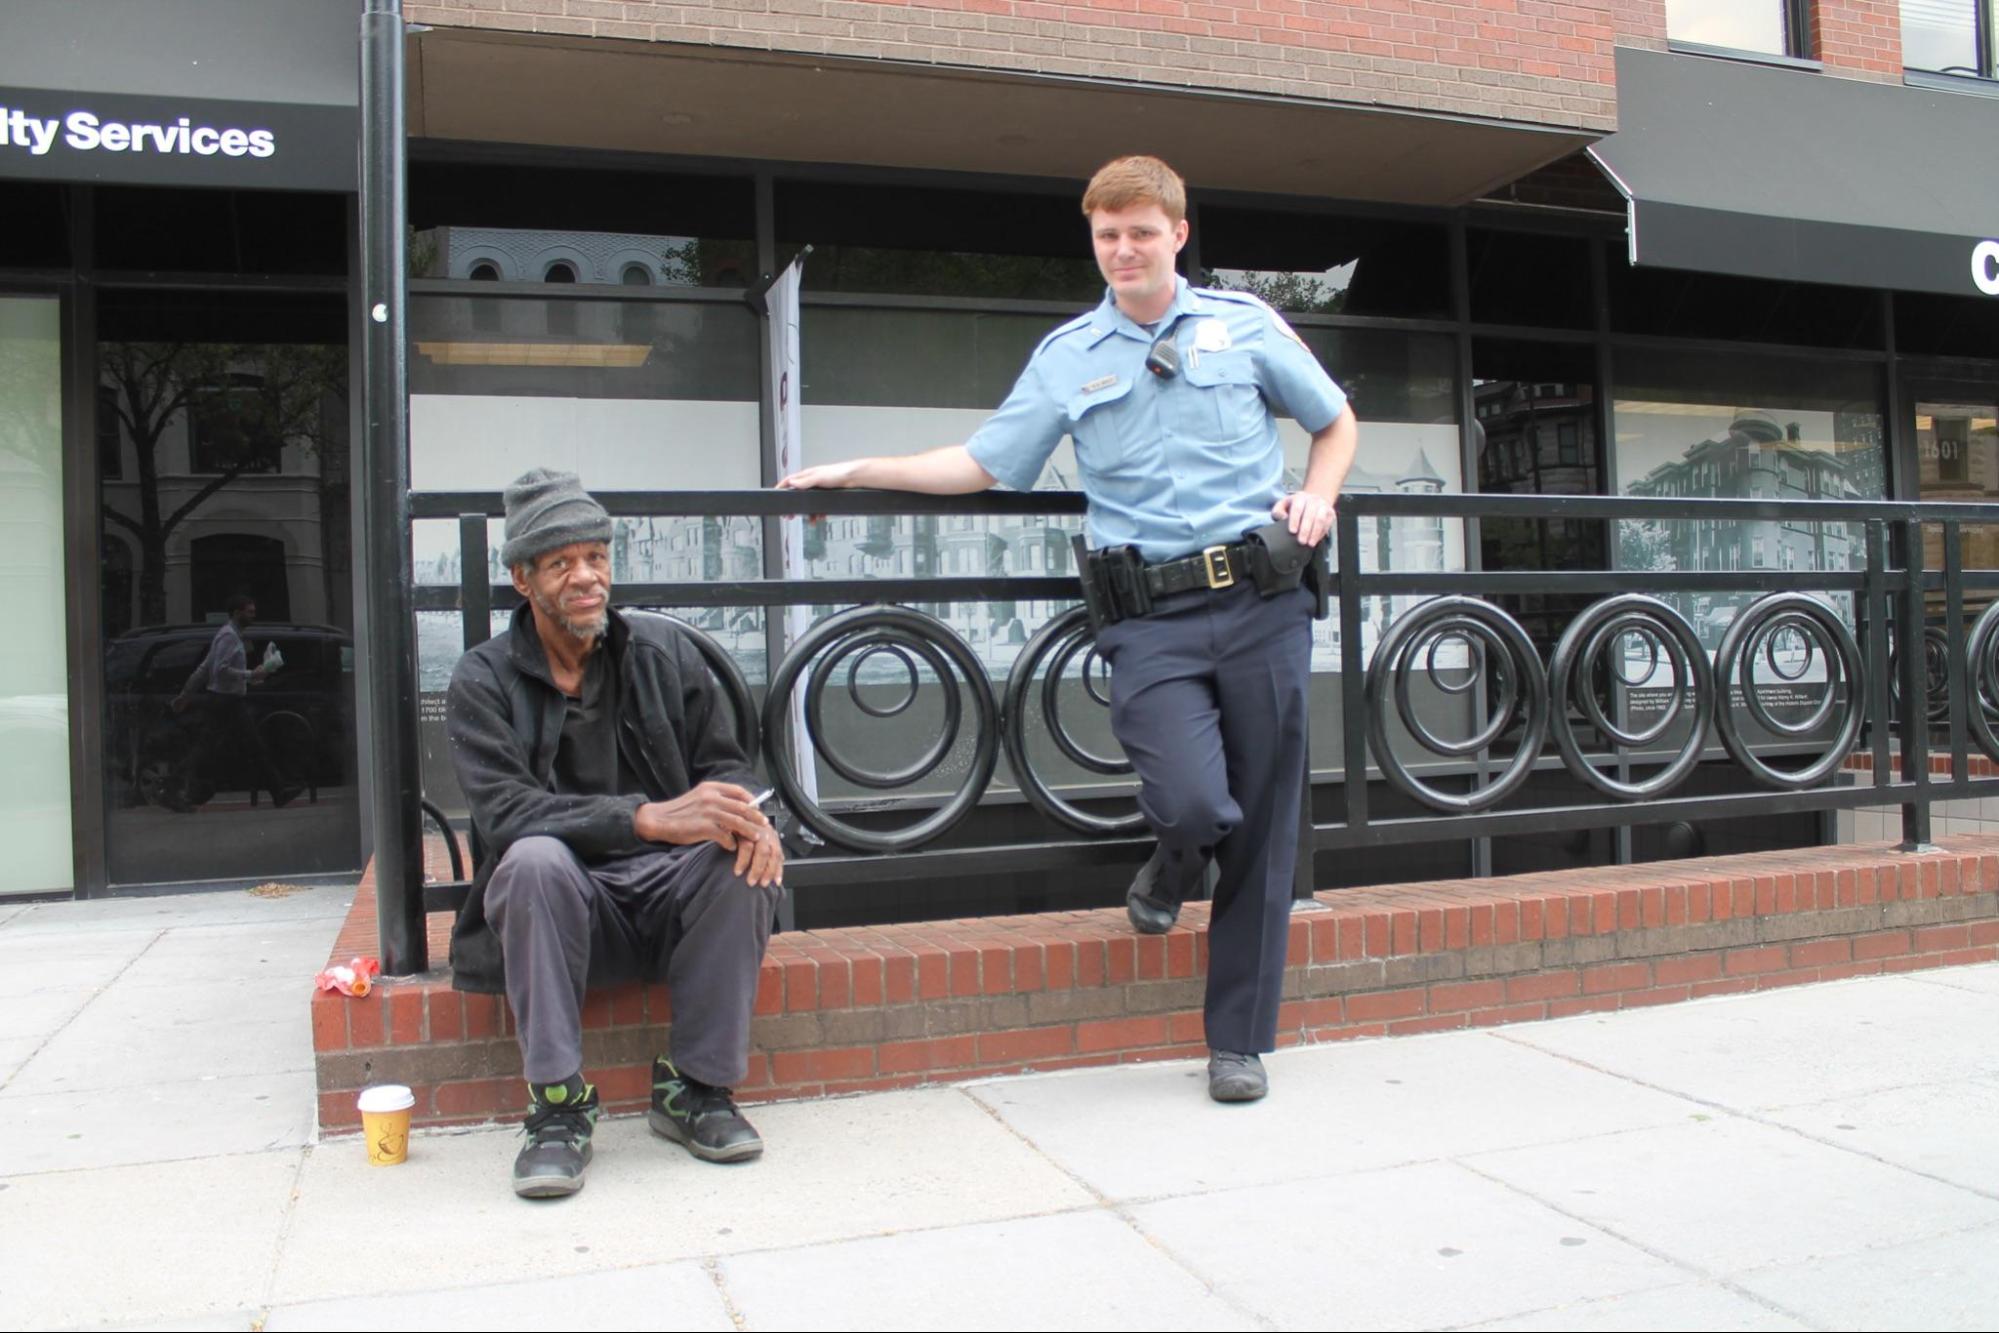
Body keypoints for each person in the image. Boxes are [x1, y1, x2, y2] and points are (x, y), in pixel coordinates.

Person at [780, 155, 1358, 1104]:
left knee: (1263, 830)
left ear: (1177, 233)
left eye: (1139, 231)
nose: (1122, 249)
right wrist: (854, 472)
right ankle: (1173, 860)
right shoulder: (1067, 354)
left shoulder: (1245, 326)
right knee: (1194, 805)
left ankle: (1237, 1041)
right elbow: (982, 462)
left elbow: (1335, 423)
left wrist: (1318, 500)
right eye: (1105, 235)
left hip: (1263, 604)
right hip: (1151, 621)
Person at [446, 468, 785, 1199]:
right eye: (561, 562)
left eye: (596, 557)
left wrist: (757, 821)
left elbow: (726, 767)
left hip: (666, 896)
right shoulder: (482, 679)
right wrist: (642, 816)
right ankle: (558, 1110)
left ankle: (696, 1090)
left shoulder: (660, 654)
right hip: (566, 907)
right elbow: (504, 813)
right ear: (522, 578)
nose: (585, 577)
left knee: (738, 860)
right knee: (533, 860)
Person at [170, 593, 298, 810]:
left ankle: (279, 791)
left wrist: (185, 694)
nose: (253, 615)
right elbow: (220, 669)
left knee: (235, 747)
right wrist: (250, 675)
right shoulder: (228, 636)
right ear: (237, 613)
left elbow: (205, 668)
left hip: (227, 700)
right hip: (225, 702)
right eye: (250, 612)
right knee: (209, 749)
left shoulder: (230, 635)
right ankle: (174, 789)